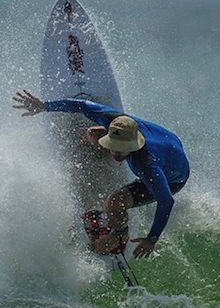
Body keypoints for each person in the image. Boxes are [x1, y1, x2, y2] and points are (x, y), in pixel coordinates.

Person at [12, 89, 189, 259]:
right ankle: (93, 141)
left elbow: (166, 201)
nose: (117, 154)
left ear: (133, 146)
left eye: (122, 150)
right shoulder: (114, 120)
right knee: (92, 133)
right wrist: (44, 105)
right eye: (114, 146)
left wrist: (152, 239)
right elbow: (81, 105)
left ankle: (119, 236)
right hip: (168, 141)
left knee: (114, 202)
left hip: (174, 176)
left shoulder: (147, 166)